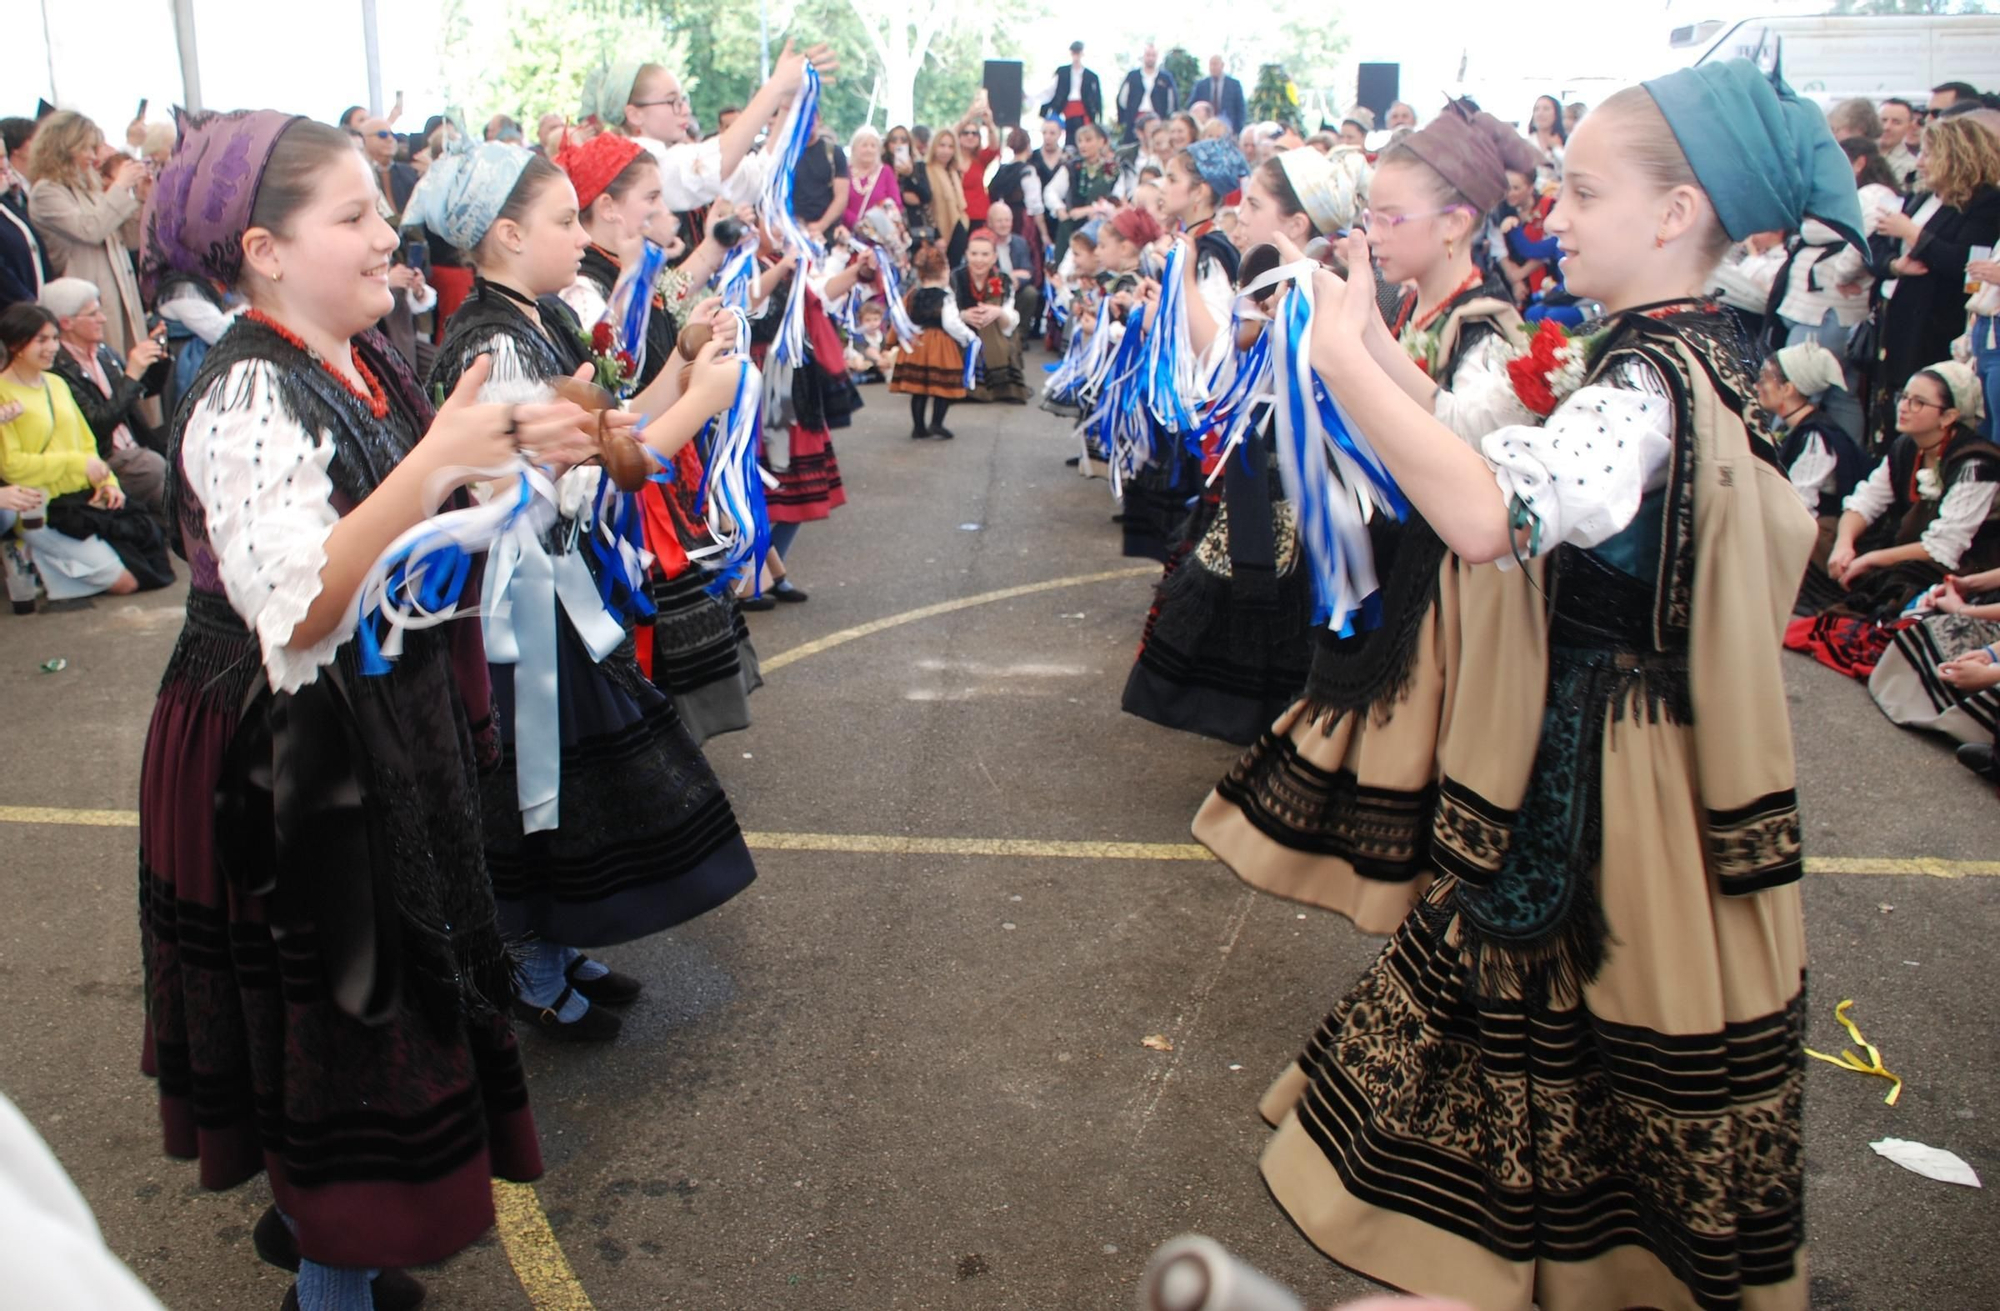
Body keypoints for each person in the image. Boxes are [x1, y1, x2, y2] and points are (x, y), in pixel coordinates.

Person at [1248, 60, 1850, 1310]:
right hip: (1617, 764)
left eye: (1580, 191)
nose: (1553, 214)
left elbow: (1487, 513)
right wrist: (1363, 344)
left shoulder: (1644, 387)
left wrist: (1338, 357)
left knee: (1568, 1027)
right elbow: (1484, 449)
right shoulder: (1689, 356)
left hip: (1604, 787)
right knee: (1553, 1041)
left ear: (1674, 214)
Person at [132, 110, 579, 1310]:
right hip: (286, 753)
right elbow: (304, 604)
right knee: (341, 1020)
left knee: (373, 1001)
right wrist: (438, 457)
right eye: (356, 215)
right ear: (263, 251)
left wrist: (514, 453)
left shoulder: (359, 359)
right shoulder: (242, 397)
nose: (391, 235)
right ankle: (330, 1275)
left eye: (383, 208)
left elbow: (413, 536)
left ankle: (333, 1247)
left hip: (374, 724)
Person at [409, 132, 762, 1046]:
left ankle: (556, 943)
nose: (583, 232)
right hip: (519, 608)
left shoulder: (541, 318)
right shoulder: (492, 344)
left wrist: (684, 357)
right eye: (565, 219)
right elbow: (579, 478)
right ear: (505, 237)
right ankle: (527, 953)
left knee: (565, 783)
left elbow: (614, 416)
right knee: (539, 778)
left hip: (556, 586)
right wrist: (703, 405)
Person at [1195, 110, 1538, 925]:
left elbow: (1468, 443)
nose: (1373, 232)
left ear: (1457, 224)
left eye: (1391, 217)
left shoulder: (1485, 328)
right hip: (1393, 561)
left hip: (1449, 585)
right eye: (1370, 215)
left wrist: (1351, 344)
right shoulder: (1411, 308)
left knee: (1434, 772)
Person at [555, 131, 764, 743]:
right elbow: (615, 408)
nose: (661, 207)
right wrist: (695, 390)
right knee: (649, 616)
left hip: (649, 457)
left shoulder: (626, 271)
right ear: (609, 206)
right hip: (629, 477)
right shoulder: (584, 291)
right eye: (651, 194)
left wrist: (689, 337)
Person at [1121, 137, 1321, 744]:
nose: (1241, 213)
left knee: (1262, 597)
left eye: (1255, 205)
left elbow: (1217, 359)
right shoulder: (1275, 275)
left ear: (1295, 222)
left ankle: (1269, 727)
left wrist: (1181, 284)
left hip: (1285, 466)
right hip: (1261, 454)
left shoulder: (1302, 282)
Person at [1797, 359, 2000, 629]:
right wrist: (1844, 545)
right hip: (1904, 547)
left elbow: (1943, 548)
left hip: (1958, 564)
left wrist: (1870, 559)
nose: (1904, 407)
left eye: (1918, 402)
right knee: (1816, 534)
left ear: (1948, 416)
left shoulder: (1975, 462)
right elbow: (1866, 502)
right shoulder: (1907, 446)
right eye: (1904, 397)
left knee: (1900, 581)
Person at [0, 303, 167, 600]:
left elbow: (87, 443)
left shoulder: (56, 384)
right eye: (41, 340)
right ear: (16, 345)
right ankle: (33, 560)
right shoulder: (3, 393)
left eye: (53, 338)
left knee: (150, 566)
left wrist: (107, 483)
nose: (52, 347)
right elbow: (11, 466)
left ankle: (41, 565)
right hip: (42, 507)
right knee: (125, 582)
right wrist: (78, 463)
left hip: (82, 502)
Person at [1867, 116, 2000, 451]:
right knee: (1892, 404)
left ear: (1954, 156)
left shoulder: (1983, 203)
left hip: (1938, 320)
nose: (1920, 162)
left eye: (1928, 154)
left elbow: (1965, 262)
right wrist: (1895, 265)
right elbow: (1876, 245)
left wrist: (1911, 233)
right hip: (1898, 313)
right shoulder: (1921, 197)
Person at [39, 277, 169, 519]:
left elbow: (143, 392)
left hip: (137, 453)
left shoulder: (103, 353)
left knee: (182, 502)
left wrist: (158, 359)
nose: (103, 319)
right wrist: (131, 373)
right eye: (93, 314)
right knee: (153, 468)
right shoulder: (57, 370)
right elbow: (96, 425)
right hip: (106, 461)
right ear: (67, 323)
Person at [25, 112, 147, 356]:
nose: (93, 157)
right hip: (87, 305)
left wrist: (141, 197)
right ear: (65, 148)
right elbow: (91, 229)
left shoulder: (89, 189)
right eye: (87, 149)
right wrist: (120, 186)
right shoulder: (46, 193)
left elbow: (131, 240)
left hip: (121, 295)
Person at [1759, 341, 1869, 550]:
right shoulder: (1791, 428)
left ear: (1788, 388)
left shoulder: (1816, 439)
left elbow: (1799, 508)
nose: (1758, 386)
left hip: (1814, 539)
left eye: (1764, 379)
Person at [890, 243, 973, 438]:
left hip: (916, 343)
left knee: (918, 389)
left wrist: (894, 340)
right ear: (944, 270)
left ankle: (918, 427)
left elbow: (898, 316)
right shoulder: (946, 297)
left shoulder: (912, 295)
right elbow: (951, 323)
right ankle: (936, 423)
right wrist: (968, 337)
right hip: (940, 344)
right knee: (942, 386)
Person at [955, 229, 1027, 404]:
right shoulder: (955, 278)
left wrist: (997, 312)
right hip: (961, 332)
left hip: (994, 331)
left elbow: (1010, 322)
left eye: (985, 254)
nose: (979, 259)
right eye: (974, 254)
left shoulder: (1003, 280)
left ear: (994, 257)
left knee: (994, 331)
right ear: (967, 255)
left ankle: (1001, 385)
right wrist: (963, 316)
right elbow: (944, 314)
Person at [1050, 122, 1126, 252]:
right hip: (1072, 228)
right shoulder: (1071, 167)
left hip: (1102, 228)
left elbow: (1118, 200)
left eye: (1088, 140)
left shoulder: (1113, 170)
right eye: (1080, 141)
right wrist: (1059, 209)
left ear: (1101, 142)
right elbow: (1051, 191)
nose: (1083, 145)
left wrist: (1088, 210)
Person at [792, 113, 849, 235]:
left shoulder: (834, 153)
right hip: (793, 228)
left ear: (818, 120)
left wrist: (822, 225)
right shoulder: (788, 154)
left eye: (811, 118)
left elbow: (841, 197)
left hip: (825, 232)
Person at [1038, 41, 1103, 144]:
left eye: (1078, 53)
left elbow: (1097, 98)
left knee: (1084, 136)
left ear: (1082, 54)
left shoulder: (1091, 76)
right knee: (1067, 135)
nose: (1076, 56)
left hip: (1084, 110)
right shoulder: (1062, 71)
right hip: (1064, 107)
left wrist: (1098, 114)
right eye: (1074, 53)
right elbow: (1051, 90)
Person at [921, 128, 969, 265]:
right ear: (934, 146)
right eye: (942, 145)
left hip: (958, 231)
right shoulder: (926, 170)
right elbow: (926, 206)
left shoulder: (954, 172)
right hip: (938, 234)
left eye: (950, 146)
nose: (946, 150)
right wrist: (937, 235)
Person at [353, 115, 417, 218]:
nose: (390, 139)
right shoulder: (357, 175)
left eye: (392, 134)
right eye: (382, 135)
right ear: (363, 139)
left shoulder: (408, 172)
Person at [844, 125, 903, 234]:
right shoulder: (845, 172)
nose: (869, 149)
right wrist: (858, 224)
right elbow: (839, 203)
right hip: (848, 234)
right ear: (854, 148)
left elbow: (896, 204)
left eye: (873, 146)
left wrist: (876, 226)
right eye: (864, 145)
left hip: (879, 237)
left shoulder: (885, 172)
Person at [1117, 42, 1178, 144]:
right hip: (1135, 118)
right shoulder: (1133, 76)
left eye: (1153, 55)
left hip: (1158, 117)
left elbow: (1171, 101)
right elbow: (1122, 99)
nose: (1150, 58)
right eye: (1148, 55)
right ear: (1143, 56)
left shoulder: (1165, 78)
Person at [1190, 55, 1248, 134]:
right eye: (1211, 65)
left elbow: (1240, 109)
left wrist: (1237, 130)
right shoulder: (1201, 85)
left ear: (1222, 65)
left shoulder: (1234, 84)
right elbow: (1192, 105)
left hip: (1228, 128)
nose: (1213, 67)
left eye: (1215, 64)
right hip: (1205, 128)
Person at [1525, 92, 1566, 181]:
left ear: (1556, 114)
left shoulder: (1566, 141)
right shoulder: (1527, 143)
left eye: (1546, 109)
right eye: (1536, 109)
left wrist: (1557, 149)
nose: (1540, 113)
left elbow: (1571, 168)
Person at [1880, 98, 1920, 188]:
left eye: (1896, 122)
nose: (1887, 127)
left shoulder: (1912, 167)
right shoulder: (1856, 154)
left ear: (1909, 127)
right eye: (1883, 120)